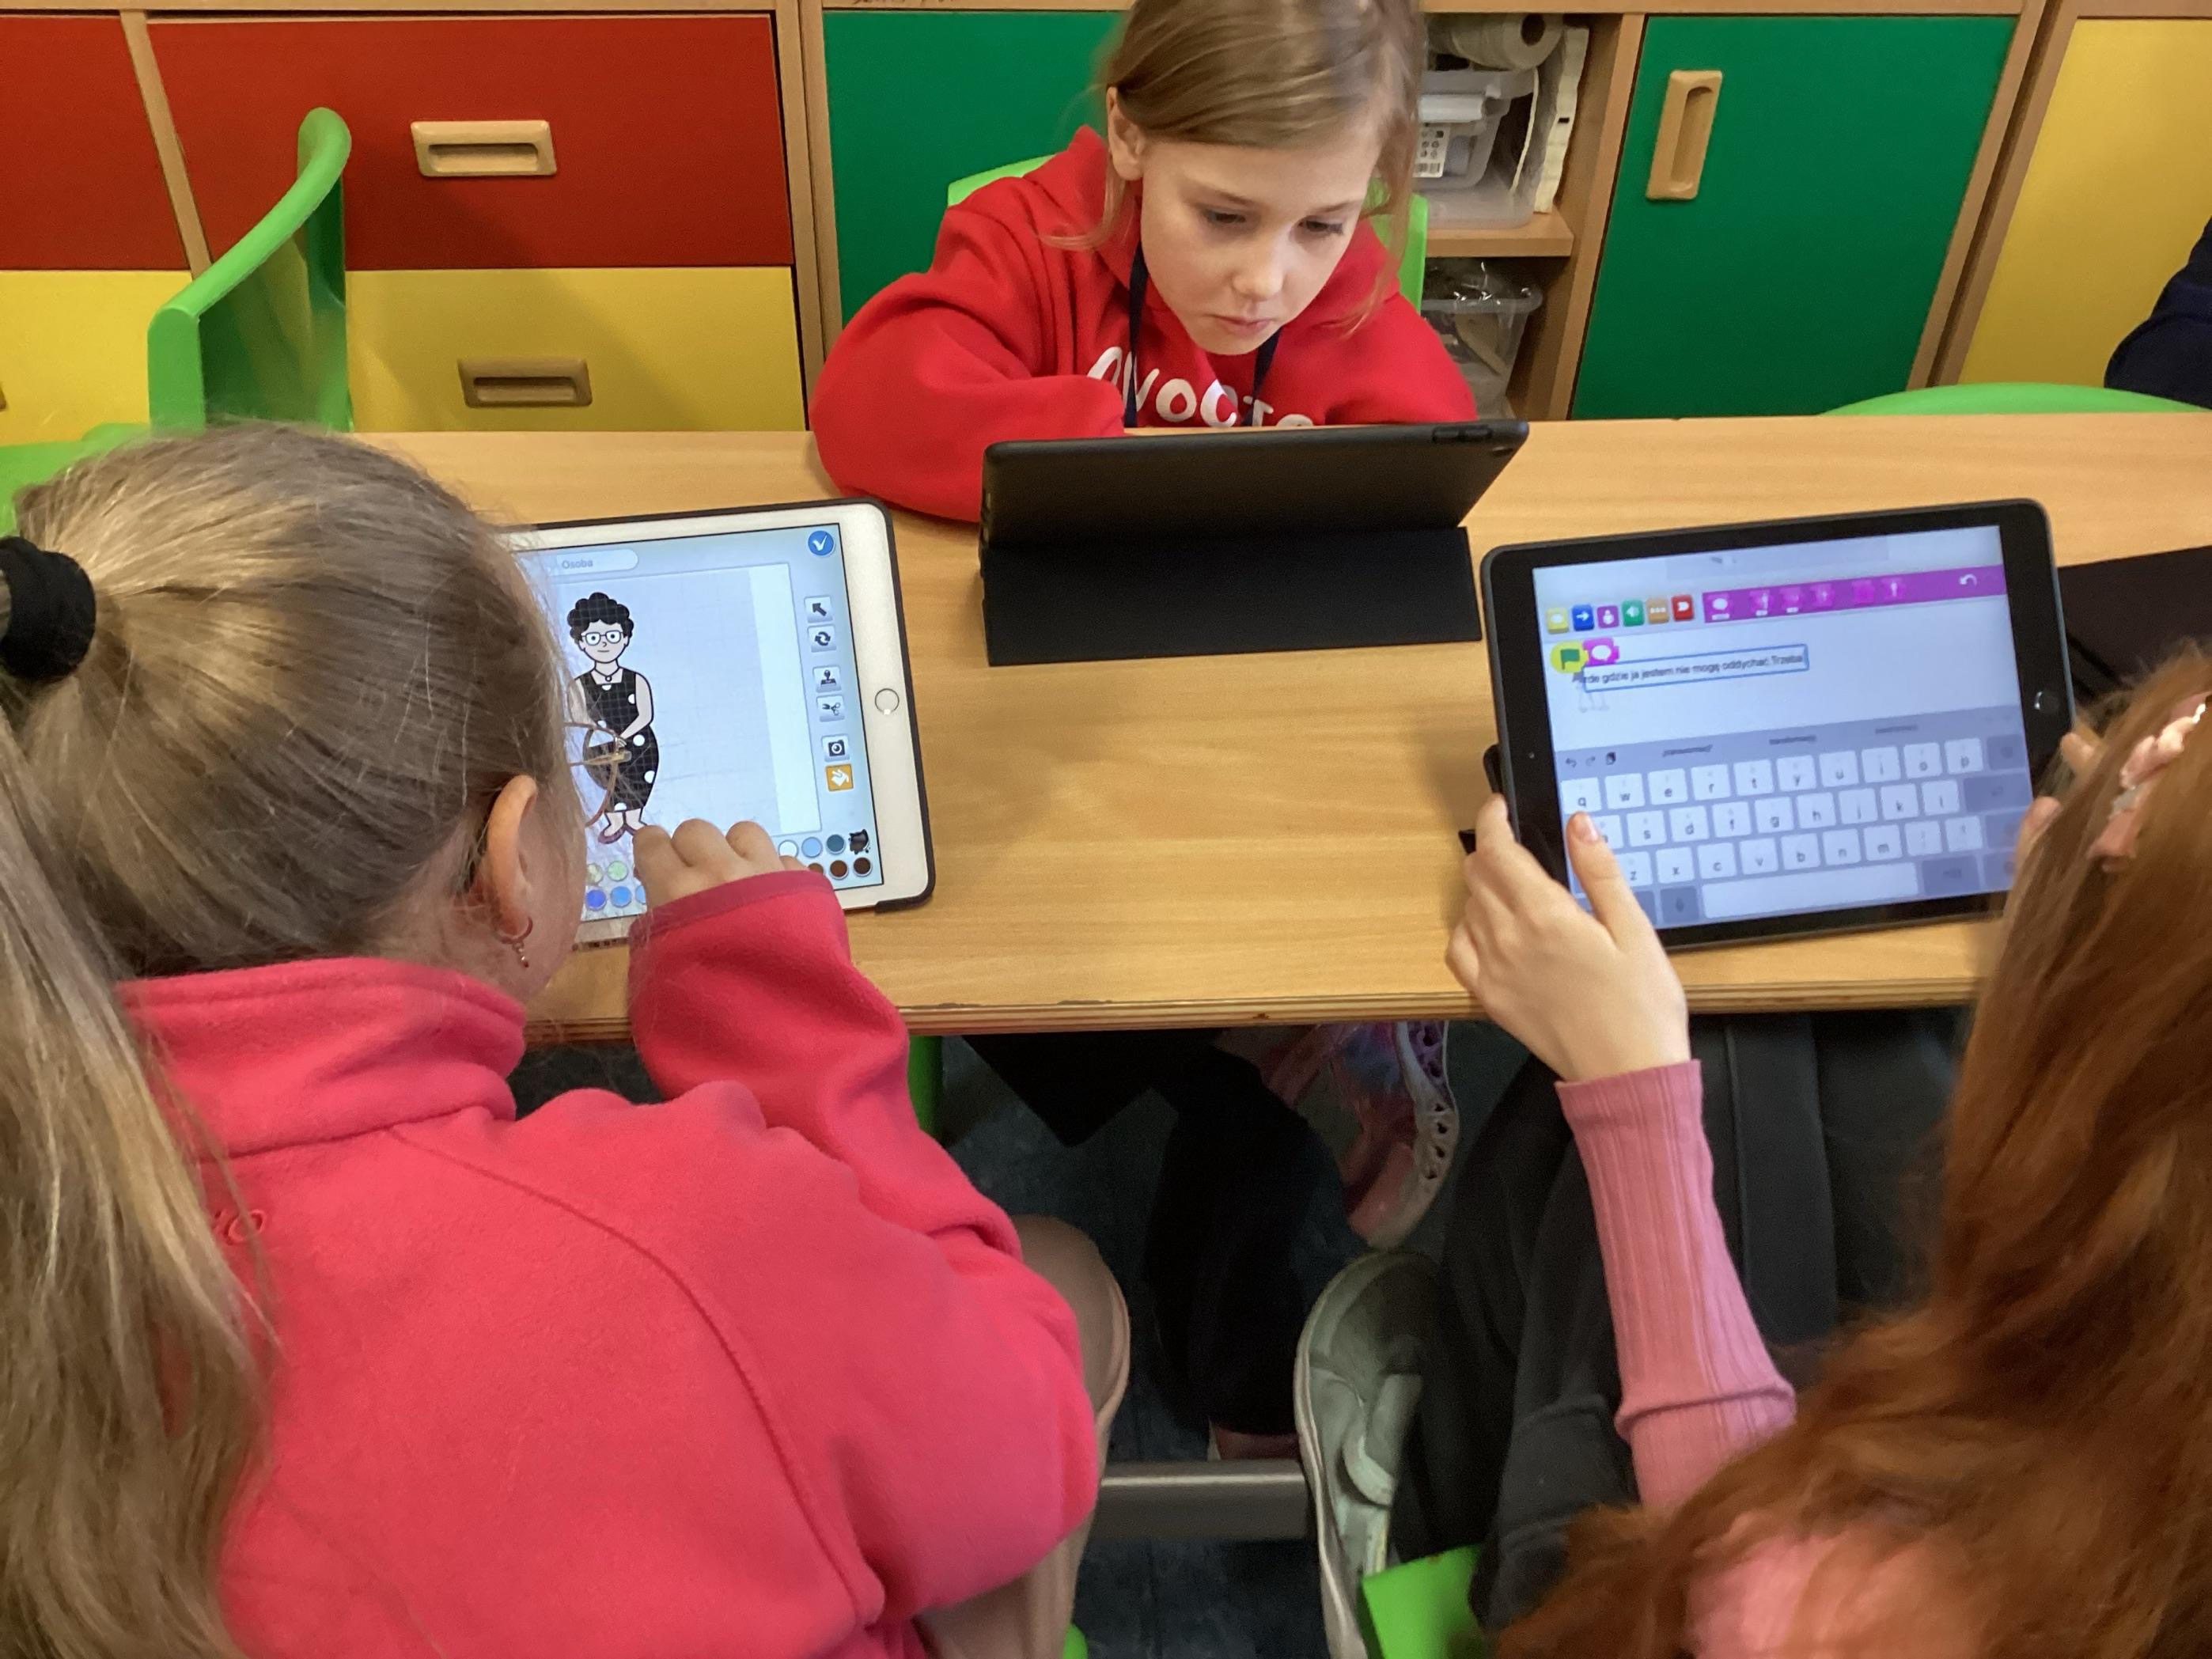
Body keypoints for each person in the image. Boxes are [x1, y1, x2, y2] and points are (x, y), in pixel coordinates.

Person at [0, 426, 1125, 1659]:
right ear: (511, 865)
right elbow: (1021, 1442)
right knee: (1062, 1289)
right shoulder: (692, 1235)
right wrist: (784, 1028)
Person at [810, 0, 1474, 1456]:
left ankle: (1274, 1095)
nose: (1266, 279)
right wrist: (1135, 449)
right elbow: (866, 400)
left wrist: (1328, 467)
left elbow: (1427, 455)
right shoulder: (1030, 235)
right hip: (1050, 753)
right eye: (1223, 215)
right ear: (1127, 135)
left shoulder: (1337, 284)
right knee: (1143, 1021)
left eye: (1321, 224)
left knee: (1267, 1046)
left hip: (1232, 766)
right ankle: (1278, 1058)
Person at [1389, 663, 2212, 1657]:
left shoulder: (1879, 1611)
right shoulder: (2155, 1375)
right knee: (1801, 1036)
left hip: (1680, 1588)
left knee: (1694, 1060)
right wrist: (2115, 917)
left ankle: (1436, 1536)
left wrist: (1635, 1098)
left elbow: (1724, 1567)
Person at [564, 589, 661, 843]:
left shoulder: (636, 680)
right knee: (607, 780)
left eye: (613, 636)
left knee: (637, 776)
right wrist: (605, 735)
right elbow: (579, 717)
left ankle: (634, 818)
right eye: (594, 638)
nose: (604, 644)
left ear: (625, 639)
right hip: (600, 745)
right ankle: (614, 821)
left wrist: (624, 736)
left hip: (638, 743)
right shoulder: (579, 685)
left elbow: (645, 715)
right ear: (581, 643)